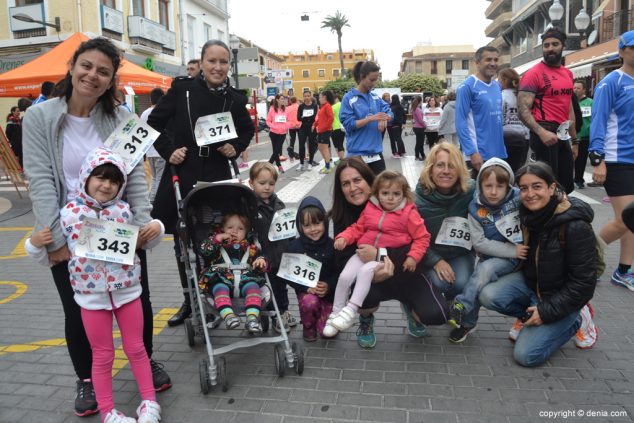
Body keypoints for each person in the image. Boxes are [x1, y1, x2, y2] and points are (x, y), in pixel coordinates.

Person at [23, 37, 171, 416]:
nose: (93, 75)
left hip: (118, 230)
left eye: (103, 71)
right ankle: (86, 379)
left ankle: (145, 359)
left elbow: (135, 176)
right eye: (86, 66)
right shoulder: (39, 118)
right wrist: (54, 239)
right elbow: (40, 181)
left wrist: (143, 225)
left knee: (138, 300)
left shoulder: (121, 118)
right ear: (72, 67)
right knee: (79, 309)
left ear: (110, 80)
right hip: (70, 230)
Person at [148, 39, 254, 328]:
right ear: (202, 63)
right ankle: (190, 300)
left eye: (223, 62)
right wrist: (169, 150)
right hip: (185, 169)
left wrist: (236, 146)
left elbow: (246, 128)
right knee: (183, 240)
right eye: (212, 61)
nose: (218, 67)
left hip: (219, 171)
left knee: (217, 235)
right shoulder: (183, 89)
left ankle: (219, 294)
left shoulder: (235, 98)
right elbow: (153, 124)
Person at [57, 148, 163, 423]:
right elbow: (51, 249)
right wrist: (35, 245)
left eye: (113, 181)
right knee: (102, 355)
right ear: (86, 177)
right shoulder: (69, 214)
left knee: (137, 348)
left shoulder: (124, 211)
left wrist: (157, 228)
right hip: (91, 297)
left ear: (121, 186)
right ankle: (108, 412)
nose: (106, 185)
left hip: (128, 292)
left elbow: (145, 238)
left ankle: (149, 402)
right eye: (100, 178)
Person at [479, 161, 598, 366]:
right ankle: (528, 315)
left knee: (526, 356)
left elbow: (584, 283)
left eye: (537, 186)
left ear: (552, 188)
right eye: (524, 188)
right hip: (533, 284)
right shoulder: (526, 213)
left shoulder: (575, 226)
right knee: (488, 295)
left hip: (561, 296)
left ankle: (577, 320)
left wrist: (545, 311)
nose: (530, 194)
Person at [330, 158, 448, 349]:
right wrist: (344, 239)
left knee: (437, 314)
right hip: (372, 276)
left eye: (357, 180)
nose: (353, 188)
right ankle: (365, 319)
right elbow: (344, 257)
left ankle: (411, 306)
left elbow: (420, 240)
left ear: (370, 183)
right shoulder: (349, 214)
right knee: (359, 287)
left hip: (405, 271)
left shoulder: (406, 210)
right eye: (345, 183)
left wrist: (380, 254)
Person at [448, 158, 527, 327]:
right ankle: (466, 323)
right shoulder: (475, 209)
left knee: (482, 273)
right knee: (478, 277)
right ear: (480, 186)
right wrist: (513, 250)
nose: (493, 192)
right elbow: (479, 243)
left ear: (508, 186)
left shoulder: (519, 198)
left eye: (500, 186)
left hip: (521, 256)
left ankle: (461, 303)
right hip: (499, 255)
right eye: (488, 186)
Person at [414, 142, 478, 343]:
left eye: (452, 166)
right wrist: (435, 261)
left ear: (459, 169)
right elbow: (412, 239)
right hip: (432, 254)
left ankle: (458, 309)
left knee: (460, 283)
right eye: (440, 165)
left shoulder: (472, 190)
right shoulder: (417, 200)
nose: (446, 171)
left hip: (461, 254)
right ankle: (416, 305)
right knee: (439, 281)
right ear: (430, 169)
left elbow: (503, 194)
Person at [589, 30, 634, 289]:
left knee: (630, 220)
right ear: (621, 51)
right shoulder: (611, 83)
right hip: (617, 159)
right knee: (627, 218)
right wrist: (598, 160)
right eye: (633, 47)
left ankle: (624, 271)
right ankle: (584, 254)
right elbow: (599, 121)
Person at [518, 28, 577, 194]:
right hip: (543, 133)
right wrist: (541, 132)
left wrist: (575, 140)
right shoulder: (533, 74)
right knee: (545, 185)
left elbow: (569, 108)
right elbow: (523, 110)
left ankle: (560, 218)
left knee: (565, 185)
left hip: (562, 133)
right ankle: (543, 219)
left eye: (555, 44)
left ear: (563, 46)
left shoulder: (568, 74)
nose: (550, 48)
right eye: (546, 45)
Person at [198, 213, 268, 333]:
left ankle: (252, 318)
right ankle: (229, 316)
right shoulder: (216, 244)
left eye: (240, 229)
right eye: (230, 228)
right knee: (219, 287)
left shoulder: (249, 247)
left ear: (246, 232)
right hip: (221, 277)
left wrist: (260, 261)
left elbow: (261, 260)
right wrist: (217, 239)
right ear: (222, 229)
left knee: (253, 286)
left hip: (245, 279)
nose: (234, 231)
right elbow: (204, 251)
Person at [249, 162, 298, 333]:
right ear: (251, 183)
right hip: (263, 256)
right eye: (262, 183)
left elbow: (288, 227)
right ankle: (275, 315)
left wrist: (294, 245)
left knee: (281, 287)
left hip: (281, 254)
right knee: (270, 288)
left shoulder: (279, 203)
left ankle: (283, 311)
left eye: (271, 183)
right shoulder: (250, 207)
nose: (267, 187)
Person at [285, 196, 338, 341]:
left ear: (325, 223)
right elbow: (288, 274)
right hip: (307, 294)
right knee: (310, 302)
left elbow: (339, 273)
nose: (313, 229)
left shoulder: (332, 245)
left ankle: (324, 318)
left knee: (326, 333)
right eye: (307, 225)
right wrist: (305, 287)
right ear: (300, 226)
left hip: (329, 295)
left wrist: (329, 285)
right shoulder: (294, 247)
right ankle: (308, 326)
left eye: (317, 223)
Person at [456, 46, 506, 174]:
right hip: (478, 155)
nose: (493, 63)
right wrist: (472, 152)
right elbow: (460, 122)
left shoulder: (497, 86)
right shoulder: (467, 86)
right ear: (477, 63)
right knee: (479, 193)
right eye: (488, 59)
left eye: (496, 60)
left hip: (498, 153)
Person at [339, 61, 393, 174]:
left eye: (376, 79)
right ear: (362, 77)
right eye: (371, 80)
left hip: (376, 156)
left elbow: (389, 112)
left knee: (379, 190)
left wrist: (385, 118)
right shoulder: (348, 98)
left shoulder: (375, 97)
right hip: (357, 157)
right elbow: (348, 125)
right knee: (359, 190)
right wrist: (370, 119)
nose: (374, 83)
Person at [499, 68, 530, 173]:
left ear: (503, 80)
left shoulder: (500, 96)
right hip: (524, 137)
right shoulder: (523, 96)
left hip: (504, 138)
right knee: (519, 171)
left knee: (504, 171)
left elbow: (498, 118)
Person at [140, 88, 165, 203]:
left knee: (155, 178)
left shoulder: (144, 113)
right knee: (159, 178)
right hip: (161, 151)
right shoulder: (162, 111)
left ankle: (151, 200)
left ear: (151, 99)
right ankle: (153, 202)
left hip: (149, 151)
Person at [573, 80, 593, 189]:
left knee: (581, 159)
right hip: (571, 136)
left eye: (578, 88)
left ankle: (579, 179)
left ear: (584, 90)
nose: (575, 90)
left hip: (585, 136)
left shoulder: (590, 102)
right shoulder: (570, 101)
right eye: (574, 88)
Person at [266, 93, 289, 174]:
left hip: (282, 133)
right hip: (273, 132)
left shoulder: (285, 109)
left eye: (284, 99)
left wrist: (286, 126)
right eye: (282, 99)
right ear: (277, 100)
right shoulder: (272, 109)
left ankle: (269, 164)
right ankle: (279, 165)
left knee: (277, 149)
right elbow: (268, 121)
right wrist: (274, 126)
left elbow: (288, 120)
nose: (283, 100)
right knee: (275, 150)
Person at [296, 90, 319, 171]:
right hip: (303, 127)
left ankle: (310, 163)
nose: (306, 97)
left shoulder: (314, 105)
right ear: (303, 97)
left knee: (311, 145)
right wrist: (303, 117)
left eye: (308, 96)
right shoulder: (301, 106)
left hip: (311, 127)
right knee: (301, 145)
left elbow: (315, 116)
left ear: (311, 96)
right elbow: (298, 118)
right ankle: (301, 163)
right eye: (305, 96)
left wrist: (306, 116)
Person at [314, 90, 335, 174]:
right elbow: (319, 118)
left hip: (325, 130)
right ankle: (327, 164)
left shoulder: (327, 106)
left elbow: (331, 118)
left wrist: (326, 127)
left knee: (324, 148)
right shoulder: (322, 106)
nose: (319, 99)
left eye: (320, 97)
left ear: (325, 97)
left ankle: (327, 166)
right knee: (320, 147)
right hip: (321, 130)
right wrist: (314, 124)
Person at [411, 95, 426, 161]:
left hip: (416, 127)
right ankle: (421, 155)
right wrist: (425, 125)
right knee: (420, 143)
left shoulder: (414, 108)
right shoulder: (417, 109)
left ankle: (418, 155)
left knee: (418, 142)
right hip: (420, 127)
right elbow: (420, 120)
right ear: (420, 101)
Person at [331, 94, 346, 161]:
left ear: (336, 98)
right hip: (342, 127)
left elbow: (330, 117)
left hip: (334, 127)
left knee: (337, 145)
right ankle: (341, 158)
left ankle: (342, 159)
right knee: (341, 143)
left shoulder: (333, 107)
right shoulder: (343, 105)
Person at [286, 96, 301, 160]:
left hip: (291, 126)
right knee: (301, 141)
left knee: (292, 141)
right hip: (299, 125)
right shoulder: (300, 107)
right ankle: (301, 154)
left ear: (290, 101)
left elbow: (286, 118)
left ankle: (291, 156)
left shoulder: (287, 108)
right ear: (296, 100)